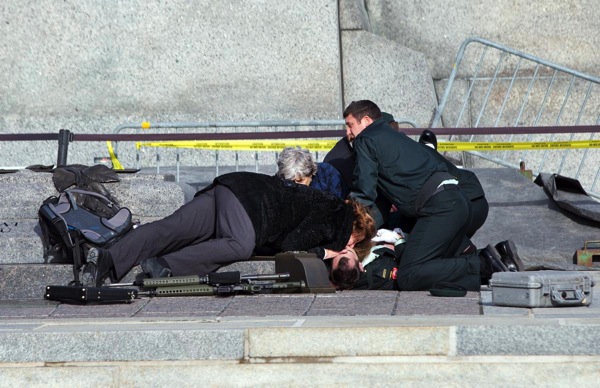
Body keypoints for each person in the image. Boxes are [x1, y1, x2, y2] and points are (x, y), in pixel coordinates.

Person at [83, 171, 376, 290]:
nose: (348, 244)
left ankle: (108, 259)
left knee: (171, 228)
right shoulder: (335, 218)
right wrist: (325, 250)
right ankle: (163, 267)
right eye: (353, 241)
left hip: (232, 189)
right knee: (239, 245)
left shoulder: (330, 205)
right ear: (354, 231)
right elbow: (290, 243)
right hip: (250, 207)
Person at [344, 100, 521, 291]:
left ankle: (482, 263)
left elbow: (364, 191)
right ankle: (501, 258)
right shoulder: (396, 139)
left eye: (350, 125)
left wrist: (348, 227)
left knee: (408, 275)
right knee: (435, 260)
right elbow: (383, 200)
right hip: (457, 201)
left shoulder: (366, 139)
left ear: (367, 121)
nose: (348, 132)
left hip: (440, 207)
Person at [276, 146, 349, 199]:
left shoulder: (328, 174)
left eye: (301, 181)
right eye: (291, 182)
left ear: (311, 173)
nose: (296, 186)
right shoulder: (279, 181)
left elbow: (341, 201)